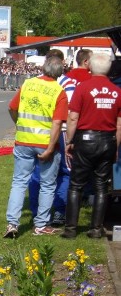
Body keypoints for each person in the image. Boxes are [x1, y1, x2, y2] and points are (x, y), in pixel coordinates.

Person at [4, 56, 68, 238]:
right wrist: (50, 148)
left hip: (23, 140)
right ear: (60, 72)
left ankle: (12, 223)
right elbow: (57, 123)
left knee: (19, 182)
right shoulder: (59, 91)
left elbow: (11, 108)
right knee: (48, 185)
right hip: (44, 143)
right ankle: (40, 225)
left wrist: (18, 123)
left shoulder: (28, 84)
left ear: (43, 68)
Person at [61, 53, 121, 239]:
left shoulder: (82, 88)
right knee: (101, 186)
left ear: (91, 67)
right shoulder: (117, 92)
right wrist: (115, 148)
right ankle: (96, 229)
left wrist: (69, 141)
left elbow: (72, 117)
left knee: (76, 184)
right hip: (107, 141)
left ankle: (71, 228)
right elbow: (119, 124)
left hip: (85, 140)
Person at [28, 49, 77, 226]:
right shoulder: (68, 83)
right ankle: (58, 210)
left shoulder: (33, 83)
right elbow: (71, 113)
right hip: (61, 130)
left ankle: (38, 211)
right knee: (64, 171)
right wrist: (71, 137)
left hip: (40, 131)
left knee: (38, 171)